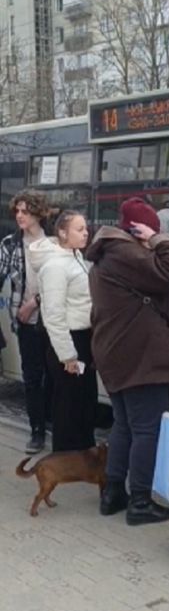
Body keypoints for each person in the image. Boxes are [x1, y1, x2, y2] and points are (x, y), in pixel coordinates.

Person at [87, 197, 169, 525]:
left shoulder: (108, 254)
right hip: (141, 359)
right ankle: (140, 501)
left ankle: (113, 491)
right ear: (138, 230)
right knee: (146, 429)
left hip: (116, 354)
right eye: (150, 230)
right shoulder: (125, 253)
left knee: (124, 425)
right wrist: (162, 239)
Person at [28, 210, 97, 452]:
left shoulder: (78, 257)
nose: (86, 232)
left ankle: (83, 457)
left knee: (85, 400)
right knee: (68, 404)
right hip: (69, 341)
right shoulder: (55, 266)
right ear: (62, 232)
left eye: (86, 228)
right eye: (79, 229)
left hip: (84, 339)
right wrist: (67, 355)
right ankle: (67, 459)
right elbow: (54, 315)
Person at [0, 191, 52, 453]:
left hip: (54, 319)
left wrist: (35, 301)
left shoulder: (54, 241)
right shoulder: (10, 244)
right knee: (32, 377)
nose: (19, 216)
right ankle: (37, 432)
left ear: (38, 213)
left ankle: (60, 430)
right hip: (25, 323)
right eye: (17, 211)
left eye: (25, 211)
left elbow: (65, 281)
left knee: (55, 375)